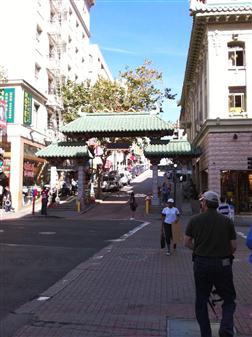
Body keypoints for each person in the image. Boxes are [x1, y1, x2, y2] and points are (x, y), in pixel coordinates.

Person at [184, 191, 237, 337]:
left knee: (201, 300)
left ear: (205, 204)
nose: (201, 203)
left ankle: (206, 333)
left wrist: (200, 249)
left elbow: (186, 242)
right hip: (223, 264)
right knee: (229, 297)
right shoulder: (227, 222)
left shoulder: (195, 220)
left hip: (202, 263)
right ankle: (226, 328)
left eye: (202, 201)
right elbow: (233, 246)